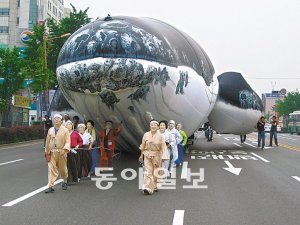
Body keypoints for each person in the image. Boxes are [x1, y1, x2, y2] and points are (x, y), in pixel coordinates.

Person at [44, 114, 70, 193]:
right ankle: (51, 186)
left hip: (61, 152)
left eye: (58, 118)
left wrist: (65, 149)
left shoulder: (65, 130)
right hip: (52, 152)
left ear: (61, 120)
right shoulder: (50, 130)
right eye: (55, 118)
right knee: (51, 169)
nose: (56, 120)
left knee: (63, 169)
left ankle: (65, 181)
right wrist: (47, 152)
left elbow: (68, 141)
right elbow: (48, 141)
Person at [139, 120, 165, 195]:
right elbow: (143, 145)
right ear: (150, 126)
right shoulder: (146, 135)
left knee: (155, 171)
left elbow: (163, 147)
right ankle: (147, 188)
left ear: (157, 127)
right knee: (148, 171)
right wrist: (141, 155)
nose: (153, 126)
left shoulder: (161, 136)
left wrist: (163, 157)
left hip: (157, 155)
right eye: (152, 125)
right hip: (147, 154)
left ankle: (155, 185)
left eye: (155, 125)